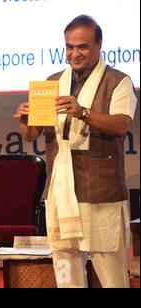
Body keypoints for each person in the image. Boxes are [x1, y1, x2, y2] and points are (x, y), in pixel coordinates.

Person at [14, 15, 137, 288]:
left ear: (99, 45)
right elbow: (34, 134)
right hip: (61, 189)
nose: (74, 53)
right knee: (65, 265)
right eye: (69, 47)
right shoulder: (53, 82)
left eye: (82, 47)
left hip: (100, 190)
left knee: (111, 271)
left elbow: (120, 124)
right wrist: (26, 123)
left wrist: (83, 112)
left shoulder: (118, 81)